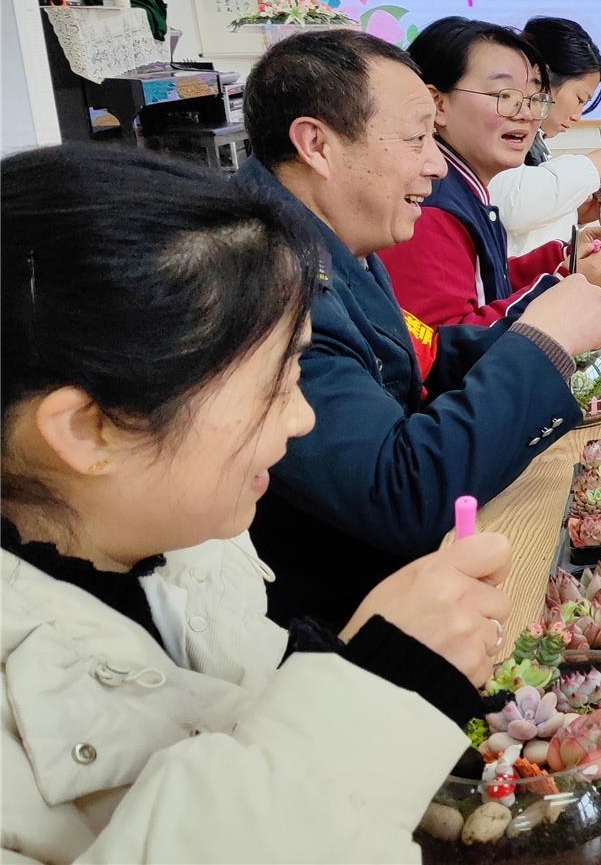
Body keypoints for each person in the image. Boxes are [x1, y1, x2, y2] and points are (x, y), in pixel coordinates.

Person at [1, 146, 518, 862]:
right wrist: (382, 686)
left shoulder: (194, 545)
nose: (303, 419)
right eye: (273, 384)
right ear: (90, 430)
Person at [234, 29, 601, 629]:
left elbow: (419, 354)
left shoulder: (334, 240)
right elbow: (403, 493)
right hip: (347, 624)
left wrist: (565, 330)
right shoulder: (267, 288)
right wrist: (542, 344)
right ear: (317, 145)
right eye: (416, 139)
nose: (435, 164)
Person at [379, 16, 601, 327]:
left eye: (535, 99)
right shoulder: (427, 208)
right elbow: (447, 350)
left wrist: (562, 259)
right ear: (437, 104)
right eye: (504, 96)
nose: (526, 114)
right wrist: (564, 282)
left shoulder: (464, 188)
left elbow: (489, 284)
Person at [491, 16, 601, 256]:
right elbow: (514, 206)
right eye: (579, 99)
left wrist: (573, 212)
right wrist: (593, 167)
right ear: (541, 78)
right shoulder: (495, 127)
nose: (578, 115)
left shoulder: (533, 139)